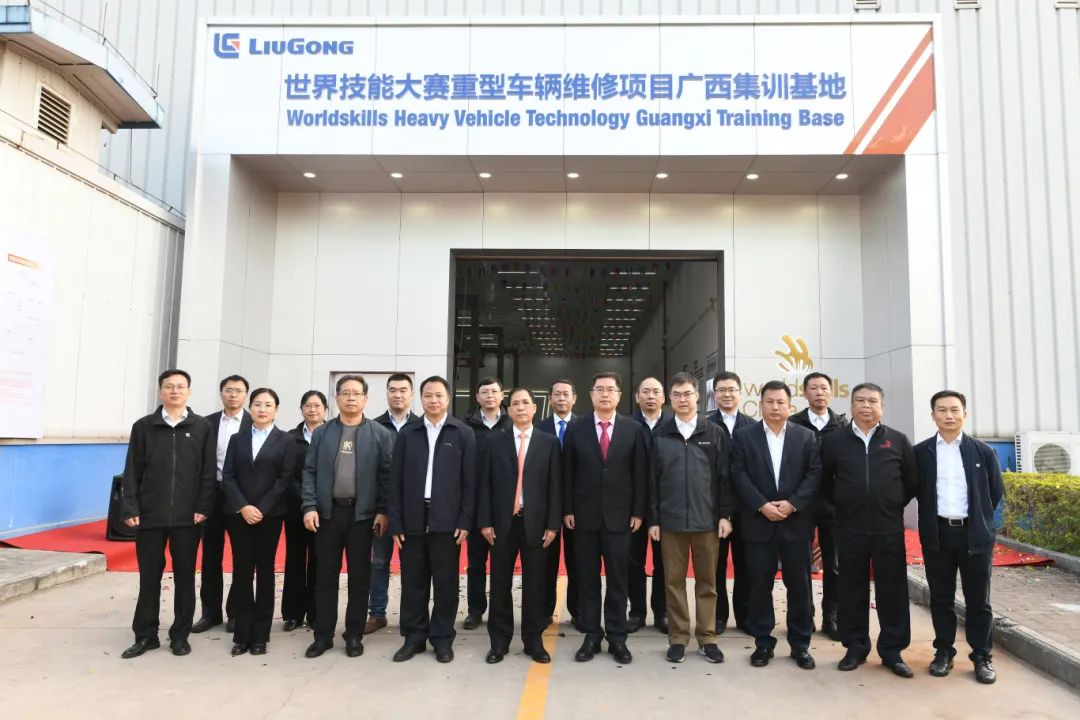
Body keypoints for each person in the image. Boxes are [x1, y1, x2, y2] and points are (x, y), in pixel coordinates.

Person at [821, 382, 918, 678]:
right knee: (851, 589)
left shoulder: (898, 440)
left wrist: (890, 503)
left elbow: (911, 482)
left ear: (882, 407)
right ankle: (855, 647)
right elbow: (825, 482)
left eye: (872, 401)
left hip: (888, 528)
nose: (866, 406)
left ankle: (892, 651)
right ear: (851, 406)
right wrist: (843, 504)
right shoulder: (834, 442)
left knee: (893, 590)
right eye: (860, 401)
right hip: (849, 528)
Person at [120, 370, 215, 659]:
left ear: (189, 392)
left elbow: (208, 472)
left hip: (188, 518)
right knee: (149, 577)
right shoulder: (144, 427)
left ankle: (180, 636)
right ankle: (145, 636)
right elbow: (132, 470)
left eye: (180, 386)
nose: (175, 391)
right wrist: (130, 506)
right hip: (150, 516)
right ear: (160, 391)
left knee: (185, 577)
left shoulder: (202, 427)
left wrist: (203, 507)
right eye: (169, 386)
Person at [301, 375, 393, 659]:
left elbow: (386, 477)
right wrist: (309, 506)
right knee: (325, 578)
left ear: (366, 398)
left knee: (359, 579)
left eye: (356, 393)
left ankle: (353, 635)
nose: (351, 398)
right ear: (337, 398)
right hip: (327, 515)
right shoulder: (322, 433)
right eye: (345, 393)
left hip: (362, 517)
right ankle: (323, 636)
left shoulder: (380, 434)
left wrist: (382, 511)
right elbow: (310, 472)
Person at [731, 381, 821, 670]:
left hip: (795, 523)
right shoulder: (744, 436)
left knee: (800, 586)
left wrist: (793, 503)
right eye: (769, 402)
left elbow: (814, 474)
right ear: (760, 405)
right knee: (759, 585)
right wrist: (762, 505)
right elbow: (738, 473)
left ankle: (800, 644)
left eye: (780, 402)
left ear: (790, 406)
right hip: (759, 523)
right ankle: (762, 643)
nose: (774, 407)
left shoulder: (806, 437)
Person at [914, 390, 1002, 685]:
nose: (948, 415)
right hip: (938, 535)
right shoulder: (922, 453)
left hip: (974, 535)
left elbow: (993, 493)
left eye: (954, 410)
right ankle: (943, 652)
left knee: (979, 600)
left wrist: (978, 521)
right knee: (941, 597)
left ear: (964, 414)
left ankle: (982, 656)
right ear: (933, 416)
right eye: (942, 410)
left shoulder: (983, 452)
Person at [389, 376, 476, 663]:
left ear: (448, 398)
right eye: (428, 395)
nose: (433, 400)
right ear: (421, 399)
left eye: (439, 395)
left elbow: (469, 482)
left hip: (447, 521)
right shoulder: (408, 434)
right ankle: (414, 638)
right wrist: (396, 522)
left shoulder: (462, 433)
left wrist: (465, 520)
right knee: (413, 583)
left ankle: (441, 639)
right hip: (412, 520)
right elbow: (395, 481)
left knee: (446, 584)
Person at [647, 373, 732, 664]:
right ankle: (678, 638)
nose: (682, 400)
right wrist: (654, 519)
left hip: (707, 521)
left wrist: (725, 516)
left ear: (697, 397)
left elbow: (725, 479)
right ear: (669, 399)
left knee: (708, 582)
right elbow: (652, 481)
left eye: (687, 394)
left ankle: (707, 638)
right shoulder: (660, 434)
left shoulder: (714, 433)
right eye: (676, 394)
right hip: (671, 522)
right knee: (673, 582)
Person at [563, 372, 647, 664]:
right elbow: (567, 472)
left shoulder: (633, 429)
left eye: (611, 389)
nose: (605, 394)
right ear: (591, 395)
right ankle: (591, 635)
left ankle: (617, 637)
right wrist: (567, 509)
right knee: (587, 580)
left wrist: (638, 511)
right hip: (584, 519)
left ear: (619, 396)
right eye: (600, 389)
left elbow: (640, 473)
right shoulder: (576, 428)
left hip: (620, 519)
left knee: (618, 581)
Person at [478, 388, 562, 664]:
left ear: (535, 408)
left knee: (535, 585)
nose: (521, 407)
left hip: (535, 523)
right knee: (499, 583)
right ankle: (498, 642)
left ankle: (533, 641)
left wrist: (552, 524)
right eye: (515, 403)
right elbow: (485, 484)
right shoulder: (494, 441)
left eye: (526, 403)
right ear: (508, 410)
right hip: (502, 524)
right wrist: (485, 521)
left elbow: (555, 486)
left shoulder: (549, 442)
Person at [221, 388, 294, 656]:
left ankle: (261, 635)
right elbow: (228, 475)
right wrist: (243, 506)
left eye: (268, 405)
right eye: (257, 404)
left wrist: (261, 508)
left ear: (276, 409)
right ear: (250, 408)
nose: (262, 409)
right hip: (239, 515)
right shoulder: (237, 439)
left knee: (265, 573)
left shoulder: (286, 441)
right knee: (242, 572)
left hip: (269, 516)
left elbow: (285, 479)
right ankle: (242, 634)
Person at [787, 371, 848, 641]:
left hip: (833, 505)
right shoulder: (793, 424)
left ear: (831, 393)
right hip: (801, 504)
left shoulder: (842, 425)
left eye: (824, 388)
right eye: (813, 388)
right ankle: (805, 615)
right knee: (800, 563)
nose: (819, 392)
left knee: (834, 564)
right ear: (805, 393)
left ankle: (832, 615)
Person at [192, 375, 251, 635]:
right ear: (221, 394)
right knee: (211, 556)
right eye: (229, 390)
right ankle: (210, 613)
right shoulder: (207, 423)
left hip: (241, 496)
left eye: (239, 391)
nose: (233, 395)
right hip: (212, 494)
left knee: (242, 556)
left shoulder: (254, 422)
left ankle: (236, 613)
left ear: (246, 395)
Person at [367, 374, 420, 634]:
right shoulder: (373, 427)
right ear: (386, 393)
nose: (397, 395)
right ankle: (377, 613)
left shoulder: (422, 426)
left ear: (411, 394)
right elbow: (370, 472)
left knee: (413, 565)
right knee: (379, 562)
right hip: (381, 509)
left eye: (403, 390)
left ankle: (411, 616)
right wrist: (381, 508)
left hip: (413, 511)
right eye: (392, 390)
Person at [707, 370, 755, 634]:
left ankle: (745, 615)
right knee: (716, 564)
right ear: (714, 394)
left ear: (740, 393)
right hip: (715, 508)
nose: (726, 394)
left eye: (731, 389)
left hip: (747, 508)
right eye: (721, 390)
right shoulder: (705, 426)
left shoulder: (753, 426)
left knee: (745, 564)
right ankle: (718, 616)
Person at [463, 376, 510, 630]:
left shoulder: (512, 424)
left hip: (505, 506)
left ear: (502, 396)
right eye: (484, 392)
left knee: (503, 563)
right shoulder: (465, 427)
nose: (490, 396)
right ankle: (475, 609)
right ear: (477, 397)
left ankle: (500, 611)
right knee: (476, 562)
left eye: (494, 392)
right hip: (475, 503)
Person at [627, 377, 670, 635]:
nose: (651, 396)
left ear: (664, 397)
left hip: (665, 507)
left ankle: (662, 612)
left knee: (663, 562)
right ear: (637, 396)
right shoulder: (627, 425)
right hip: (634, 507)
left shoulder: (674, 425)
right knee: (633, 561)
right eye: (645, 391)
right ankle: (637, 612)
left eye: (656, 392)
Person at [536, 378, 580, 630]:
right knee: (545, 561)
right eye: (557, 394)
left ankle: (578, 612)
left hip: (577, 506)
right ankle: (544, 611)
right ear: (550, 399)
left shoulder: (584, 427)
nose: (561, 398)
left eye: (566, 394)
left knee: (577, 561)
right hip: (545, 505)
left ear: (574, 398)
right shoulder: (538, 427)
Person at [282, 390, 326, 633]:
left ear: (325, 409)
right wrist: (306, 503)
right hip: (295, 511)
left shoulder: (332, 434)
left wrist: (318, 504)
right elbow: (286, 475)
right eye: (308, 405)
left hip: (324, 511)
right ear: (301, 409)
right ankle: (293, 613)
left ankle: (316, 613)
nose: (312, 410)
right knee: (295, 560)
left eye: (317, 405)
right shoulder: (290, 438)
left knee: (319, 561)